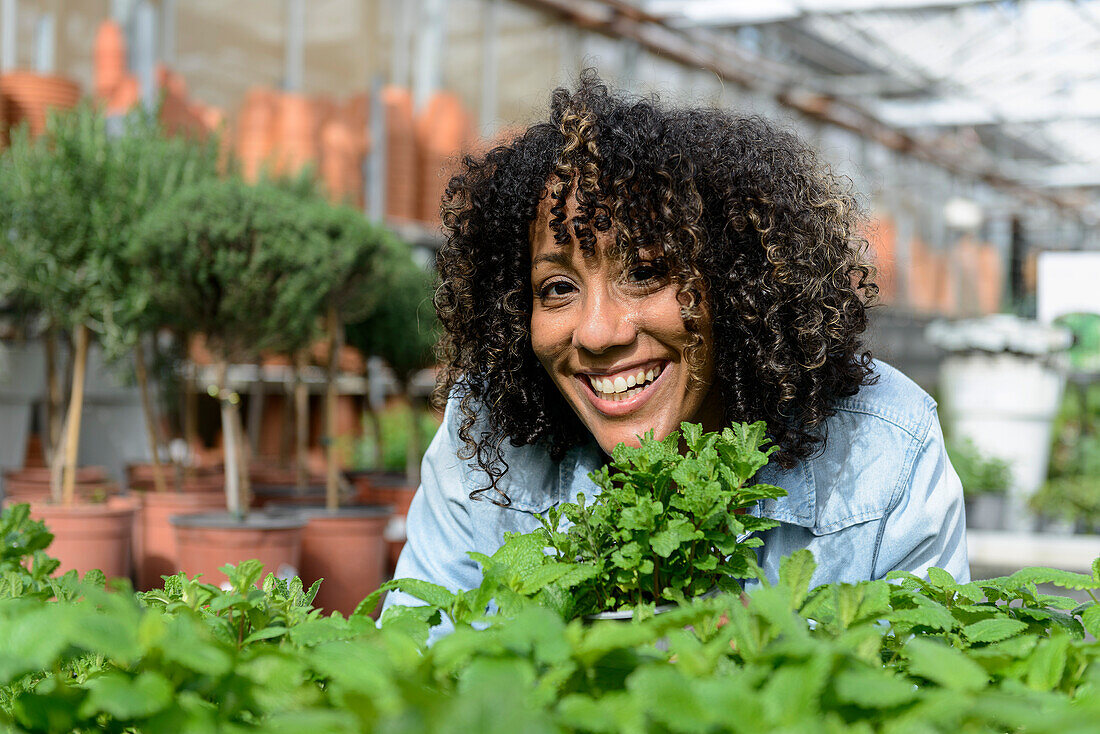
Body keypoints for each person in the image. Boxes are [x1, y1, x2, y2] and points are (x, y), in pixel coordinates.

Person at [380, 72, 967, 628]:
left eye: (645, 271)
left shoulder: (883, 450)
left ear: (738, 284)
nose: (597, 332)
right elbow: (411, 668)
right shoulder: (483, 434)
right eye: (557, 288)